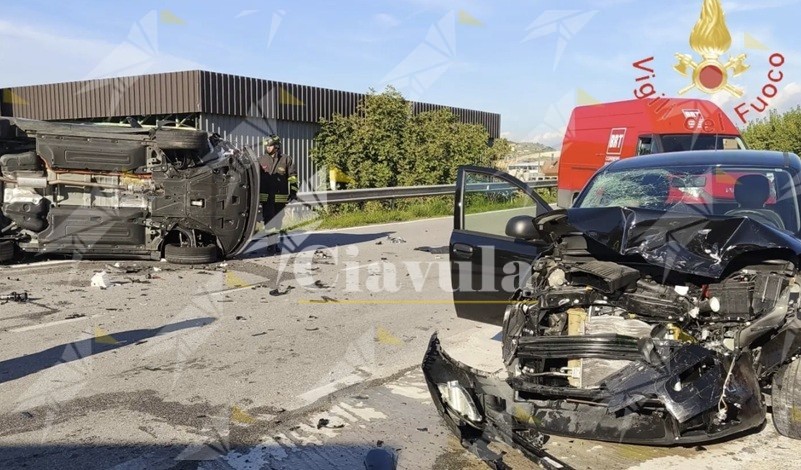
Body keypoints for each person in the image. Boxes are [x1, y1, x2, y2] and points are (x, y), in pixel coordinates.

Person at [258, 134, 298, 253]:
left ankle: (275, 243)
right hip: (266, 197)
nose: (267, 148)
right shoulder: (261, 160)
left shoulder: (286, 159)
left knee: (278, 221)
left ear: (276, 146)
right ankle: (271, 245)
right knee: (269, 220)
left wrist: (293, 192)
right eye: (266, 146)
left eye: (269, 146)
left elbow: (293, 177)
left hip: (280, 197)